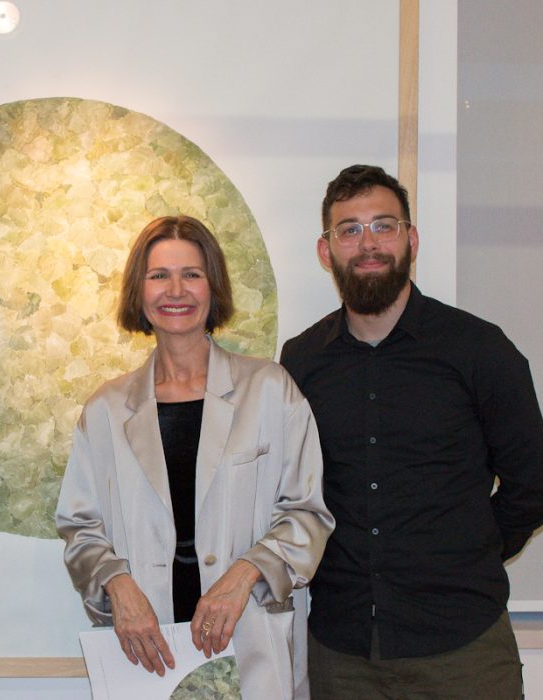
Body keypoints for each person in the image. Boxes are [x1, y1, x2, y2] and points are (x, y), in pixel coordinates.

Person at [280, 165, 543, 699]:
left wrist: (465, 554)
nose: (368, 244)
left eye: (383, 226)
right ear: (325, 251)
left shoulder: (480, 350)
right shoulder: (301, 362)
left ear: (411, 239)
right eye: (349, 230)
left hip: (463, 650)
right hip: (341, 652)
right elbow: (289, 492)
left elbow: (532, 489)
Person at [56, 215, 334, 699]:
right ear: (139, 291)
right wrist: (117, 585)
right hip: (147, 649)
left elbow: (307, 514)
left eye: (191, 274)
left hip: (249, 637)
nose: (175, 290)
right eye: (159, 275)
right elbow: (80, 528)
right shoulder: (106, 410)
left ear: (213, 286)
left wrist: (245, 574)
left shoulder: (269, 390)